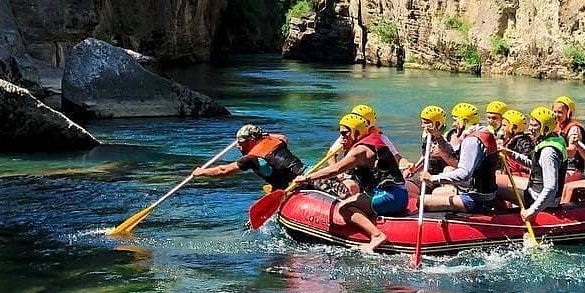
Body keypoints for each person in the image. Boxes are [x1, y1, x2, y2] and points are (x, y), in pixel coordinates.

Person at [294, 112, 404, 252]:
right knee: (354, 197)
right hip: (396, 194)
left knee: (344, 207)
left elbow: (336, 169)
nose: (341, 138)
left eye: (345, 133)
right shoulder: (371, 141)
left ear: (356, 133)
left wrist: (307, 178)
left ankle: (377, 235)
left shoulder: (360, 150)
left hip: (390, 196)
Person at [420, 102, 499, 213]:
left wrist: (433, 178)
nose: (453, 124)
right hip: (479, 194)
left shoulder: (472, 141)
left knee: (422, 201)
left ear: (464, 121)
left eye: (456, 120)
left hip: (476, 199)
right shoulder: (479, 134)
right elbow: (453, 152)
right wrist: (438, 136)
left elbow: (464, 174)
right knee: (436, 192)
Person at [498, 106, 567, 219]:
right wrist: (510, 153)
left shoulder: (548, 152)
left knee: (496, 189)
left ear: (545, 128)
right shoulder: (552, 139)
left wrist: (532, 211)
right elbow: (535, 165)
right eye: (530, 124)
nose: (530, 128)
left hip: (539, 200)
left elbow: (551, 188)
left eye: (535, 125)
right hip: (537, 194)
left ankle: (501, 220)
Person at [193, 124, 305, 190]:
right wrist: (264, 135)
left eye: (241, 142)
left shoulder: (251, 158)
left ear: (251, 141)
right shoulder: (276, 140)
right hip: (305, 172)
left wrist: (202, 172)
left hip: (297, 182)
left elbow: (223, 170)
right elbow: (283, 137)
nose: (238, 146)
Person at [399, 105, 456, 179]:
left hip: (444, 176)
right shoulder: (426, 134)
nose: (422, 126)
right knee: (406, 183)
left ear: (437, 124)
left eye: (425, 123)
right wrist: (414, 170)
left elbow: (454, 163)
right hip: (428, 174)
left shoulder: (450, 136)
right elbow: (425, 157)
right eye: (422, 122)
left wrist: (441, 150)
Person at [552, 95, 585, 169]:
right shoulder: (555, 126)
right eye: (554, 112)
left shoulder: (574, 129)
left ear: (569, 113)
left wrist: (551, 148)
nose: (556, 115)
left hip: (572, 168)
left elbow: (571, 152)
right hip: (559, 165)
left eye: (560, 112)